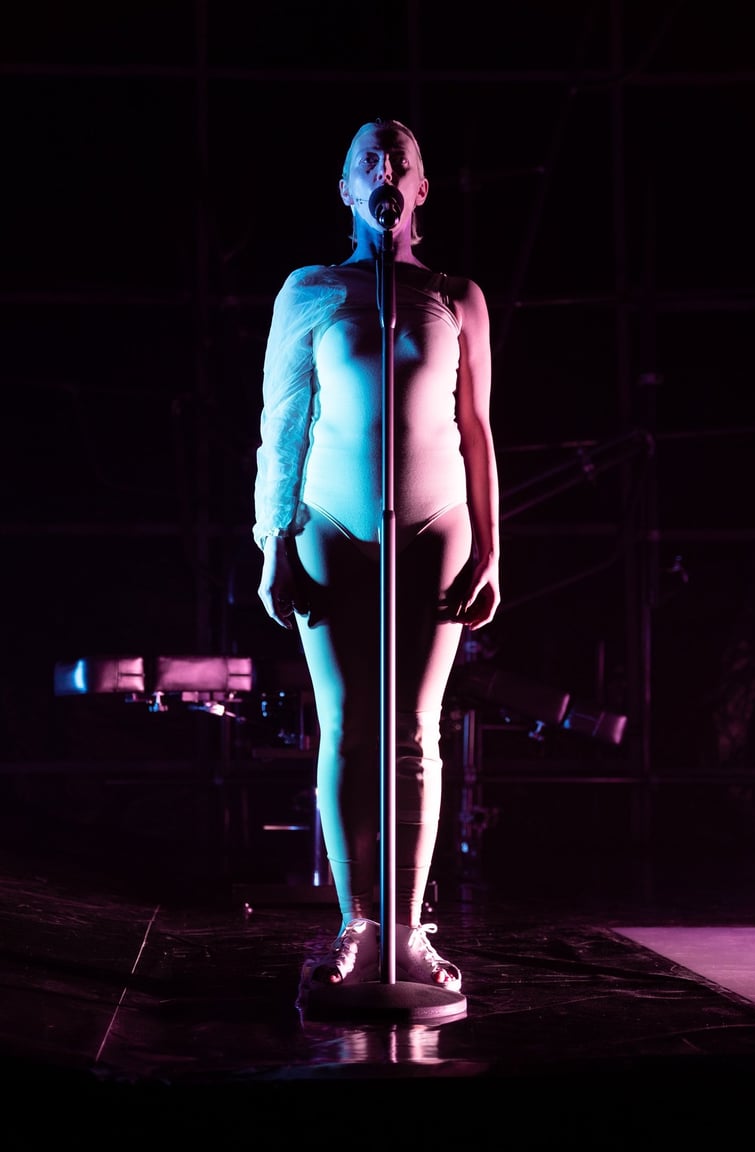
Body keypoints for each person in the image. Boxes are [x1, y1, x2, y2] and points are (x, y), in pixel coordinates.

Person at [253, 117, 500, 995]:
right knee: (349, 724)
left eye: (400, 158)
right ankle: (358, 922)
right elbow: (282, 422)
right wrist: (273, 541)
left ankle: (410, 929)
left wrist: (492, 548)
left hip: (437, 523)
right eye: (368, 157)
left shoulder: (457, 296)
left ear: (420, 189)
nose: (384, 167)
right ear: (348, 189)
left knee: (418, 729)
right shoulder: (311, 289)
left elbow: (476, 427)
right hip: (330, 523)